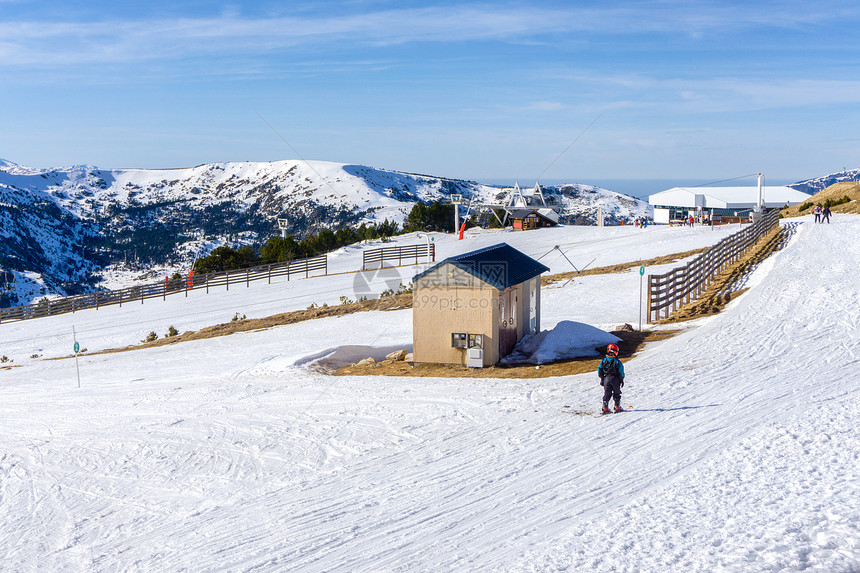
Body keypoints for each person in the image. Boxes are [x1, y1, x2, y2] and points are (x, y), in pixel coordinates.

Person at [598, 343, 626, 413]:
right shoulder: (617, 361)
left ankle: (605, 407)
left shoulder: (604, 361)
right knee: (616, 393)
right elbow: (621, 371)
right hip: (615, 379)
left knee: (607, 393)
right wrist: (621, 379)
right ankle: (617, 406)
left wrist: (602, 378)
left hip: (606, 379)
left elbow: (600, 369)